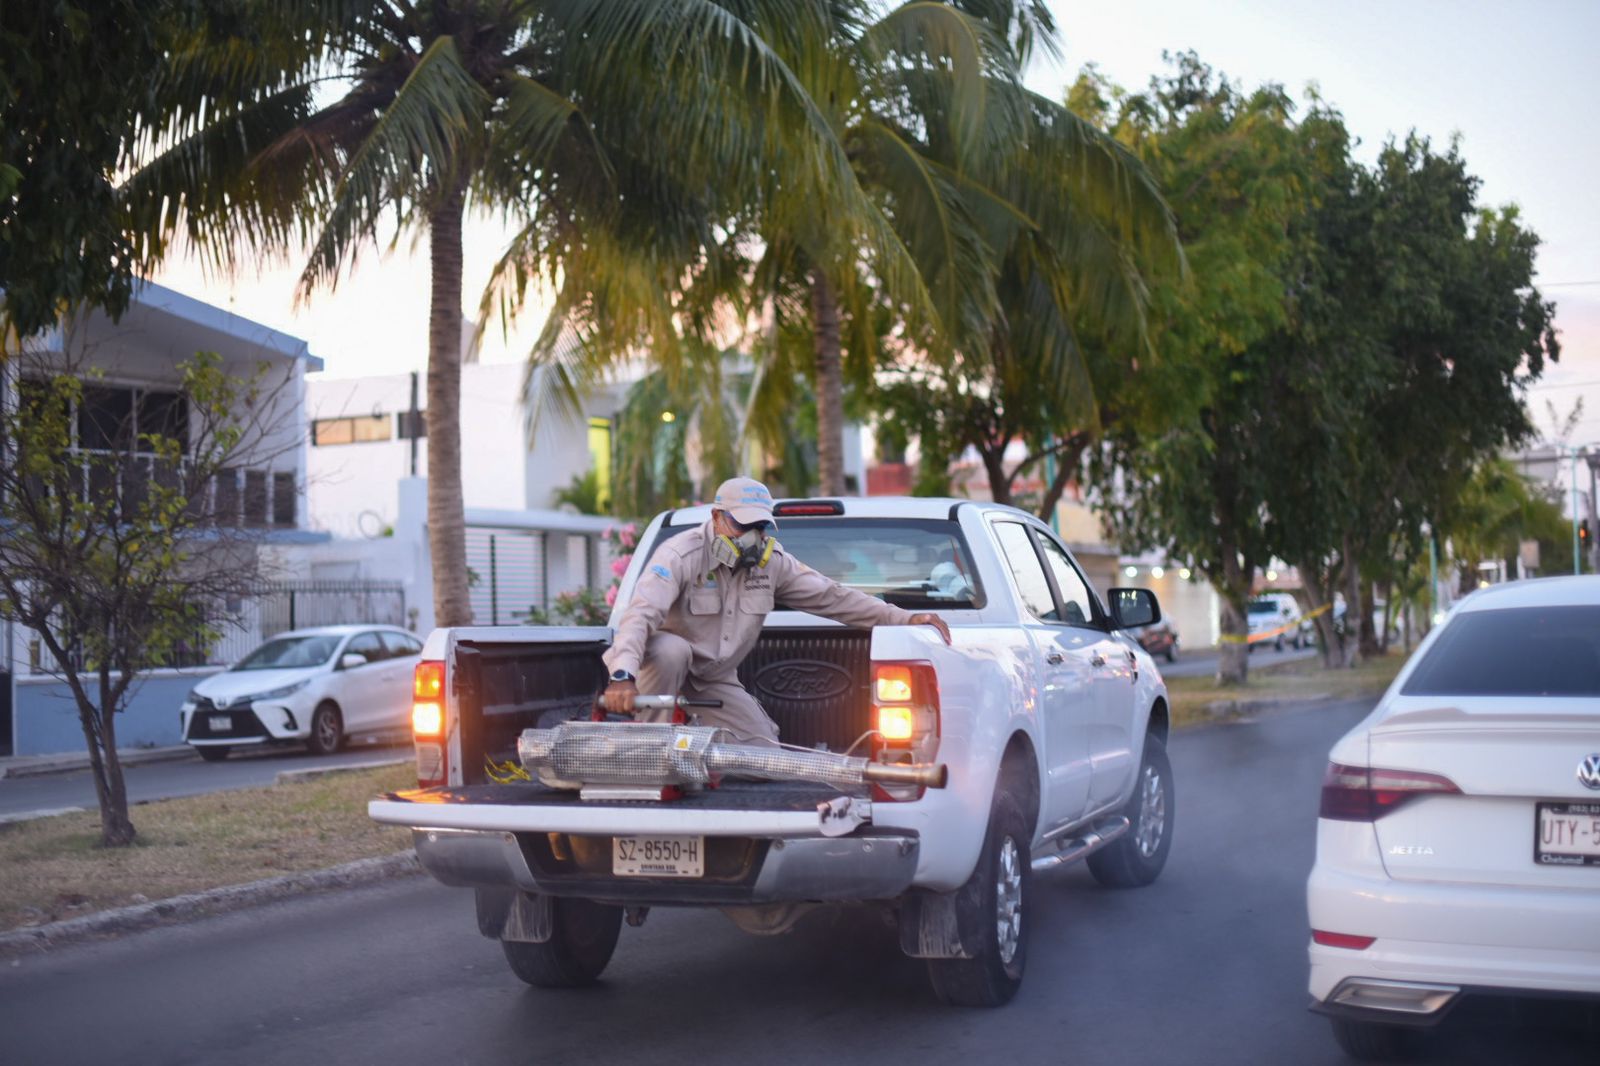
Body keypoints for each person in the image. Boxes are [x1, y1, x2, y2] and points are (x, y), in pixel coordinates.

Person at [600, 477, 952, 743]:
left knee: (764, 752)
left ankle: (701, 756)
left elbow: (834, 597)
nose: (753, 537)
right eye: (743, 525)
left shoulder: (773, 563)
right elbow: (640, 614)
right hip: (663, 671)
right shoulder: (680, 555)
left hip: (713, 677)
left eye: (760, 526)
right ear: (717, 518)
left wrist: (903, 617)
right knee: (670, 649)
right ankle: (648, 750)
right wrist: (622, 676)